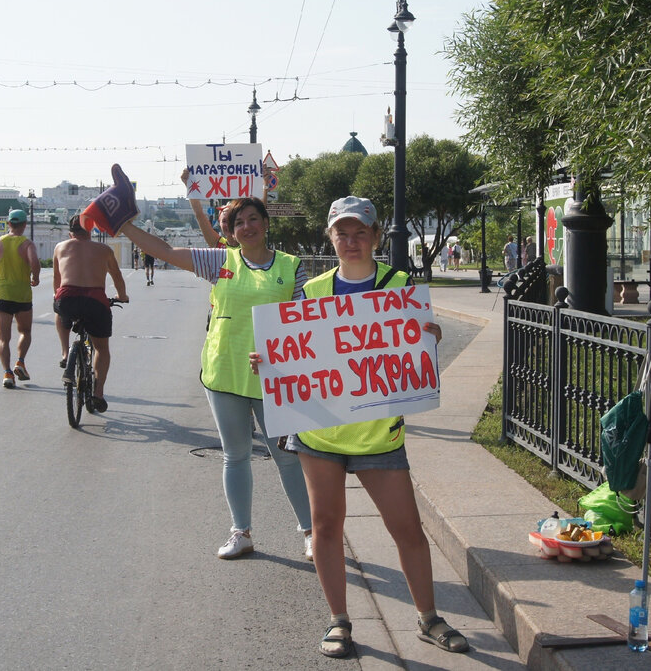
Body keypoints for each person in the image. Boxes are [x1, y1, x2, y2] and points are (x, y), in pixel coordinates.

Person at [253, 196, 467, 659]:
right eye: (342, 234)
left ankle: (428, 617)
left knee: (406, 528)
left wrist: (429, 338)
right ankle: (339, 620)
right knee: (326, 526)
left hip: (378, 435)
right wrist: (269, 361)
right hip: (320, 433)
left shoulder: (400, 286)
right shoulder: (311, 291)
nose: (351, 242)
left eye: (360, 233)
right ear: (330, 238)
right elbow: (296, 350)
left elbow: (414, 349)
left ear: (375, 236)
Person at [113, 186, 312, 561]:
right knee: (235, 455)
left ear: (266, 223)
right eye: (239, 222)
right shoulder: (220, 260)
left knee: (286, 457)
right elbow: (165, 251)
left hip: (275, 378)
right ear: (231, 232)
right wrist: (124, 226)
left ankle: (311, 532)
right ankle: (241, 532)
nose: (247, 226)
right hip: (225, 373)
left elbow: (304, 320)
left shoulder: (291, 266)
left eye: (253, 219)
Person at [53, 215, 129, 413]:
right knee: (101, 348)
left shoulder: (60, 247)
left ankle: (65, 352)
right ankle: (98, 393)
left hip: (67, 298)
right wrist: (122, 296)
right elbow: (117, 276)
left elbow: (57, 279)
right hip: (95, 300)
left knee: (59, 310)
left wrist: (57, 298)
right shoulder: (104, 250)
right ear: (90, 230)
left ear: (71, 232)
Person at [0, 209, 41, 389]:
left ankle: (7, 373)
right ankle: (20, 362)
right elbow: (34, 262)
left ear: (8, 224)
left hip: (3, 294)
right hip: (22, 295)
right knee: (25, 331)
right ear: (24, 225)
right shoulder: (27, 244)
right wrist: (35, 277)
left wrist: (0, 275)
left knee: (3, 338)